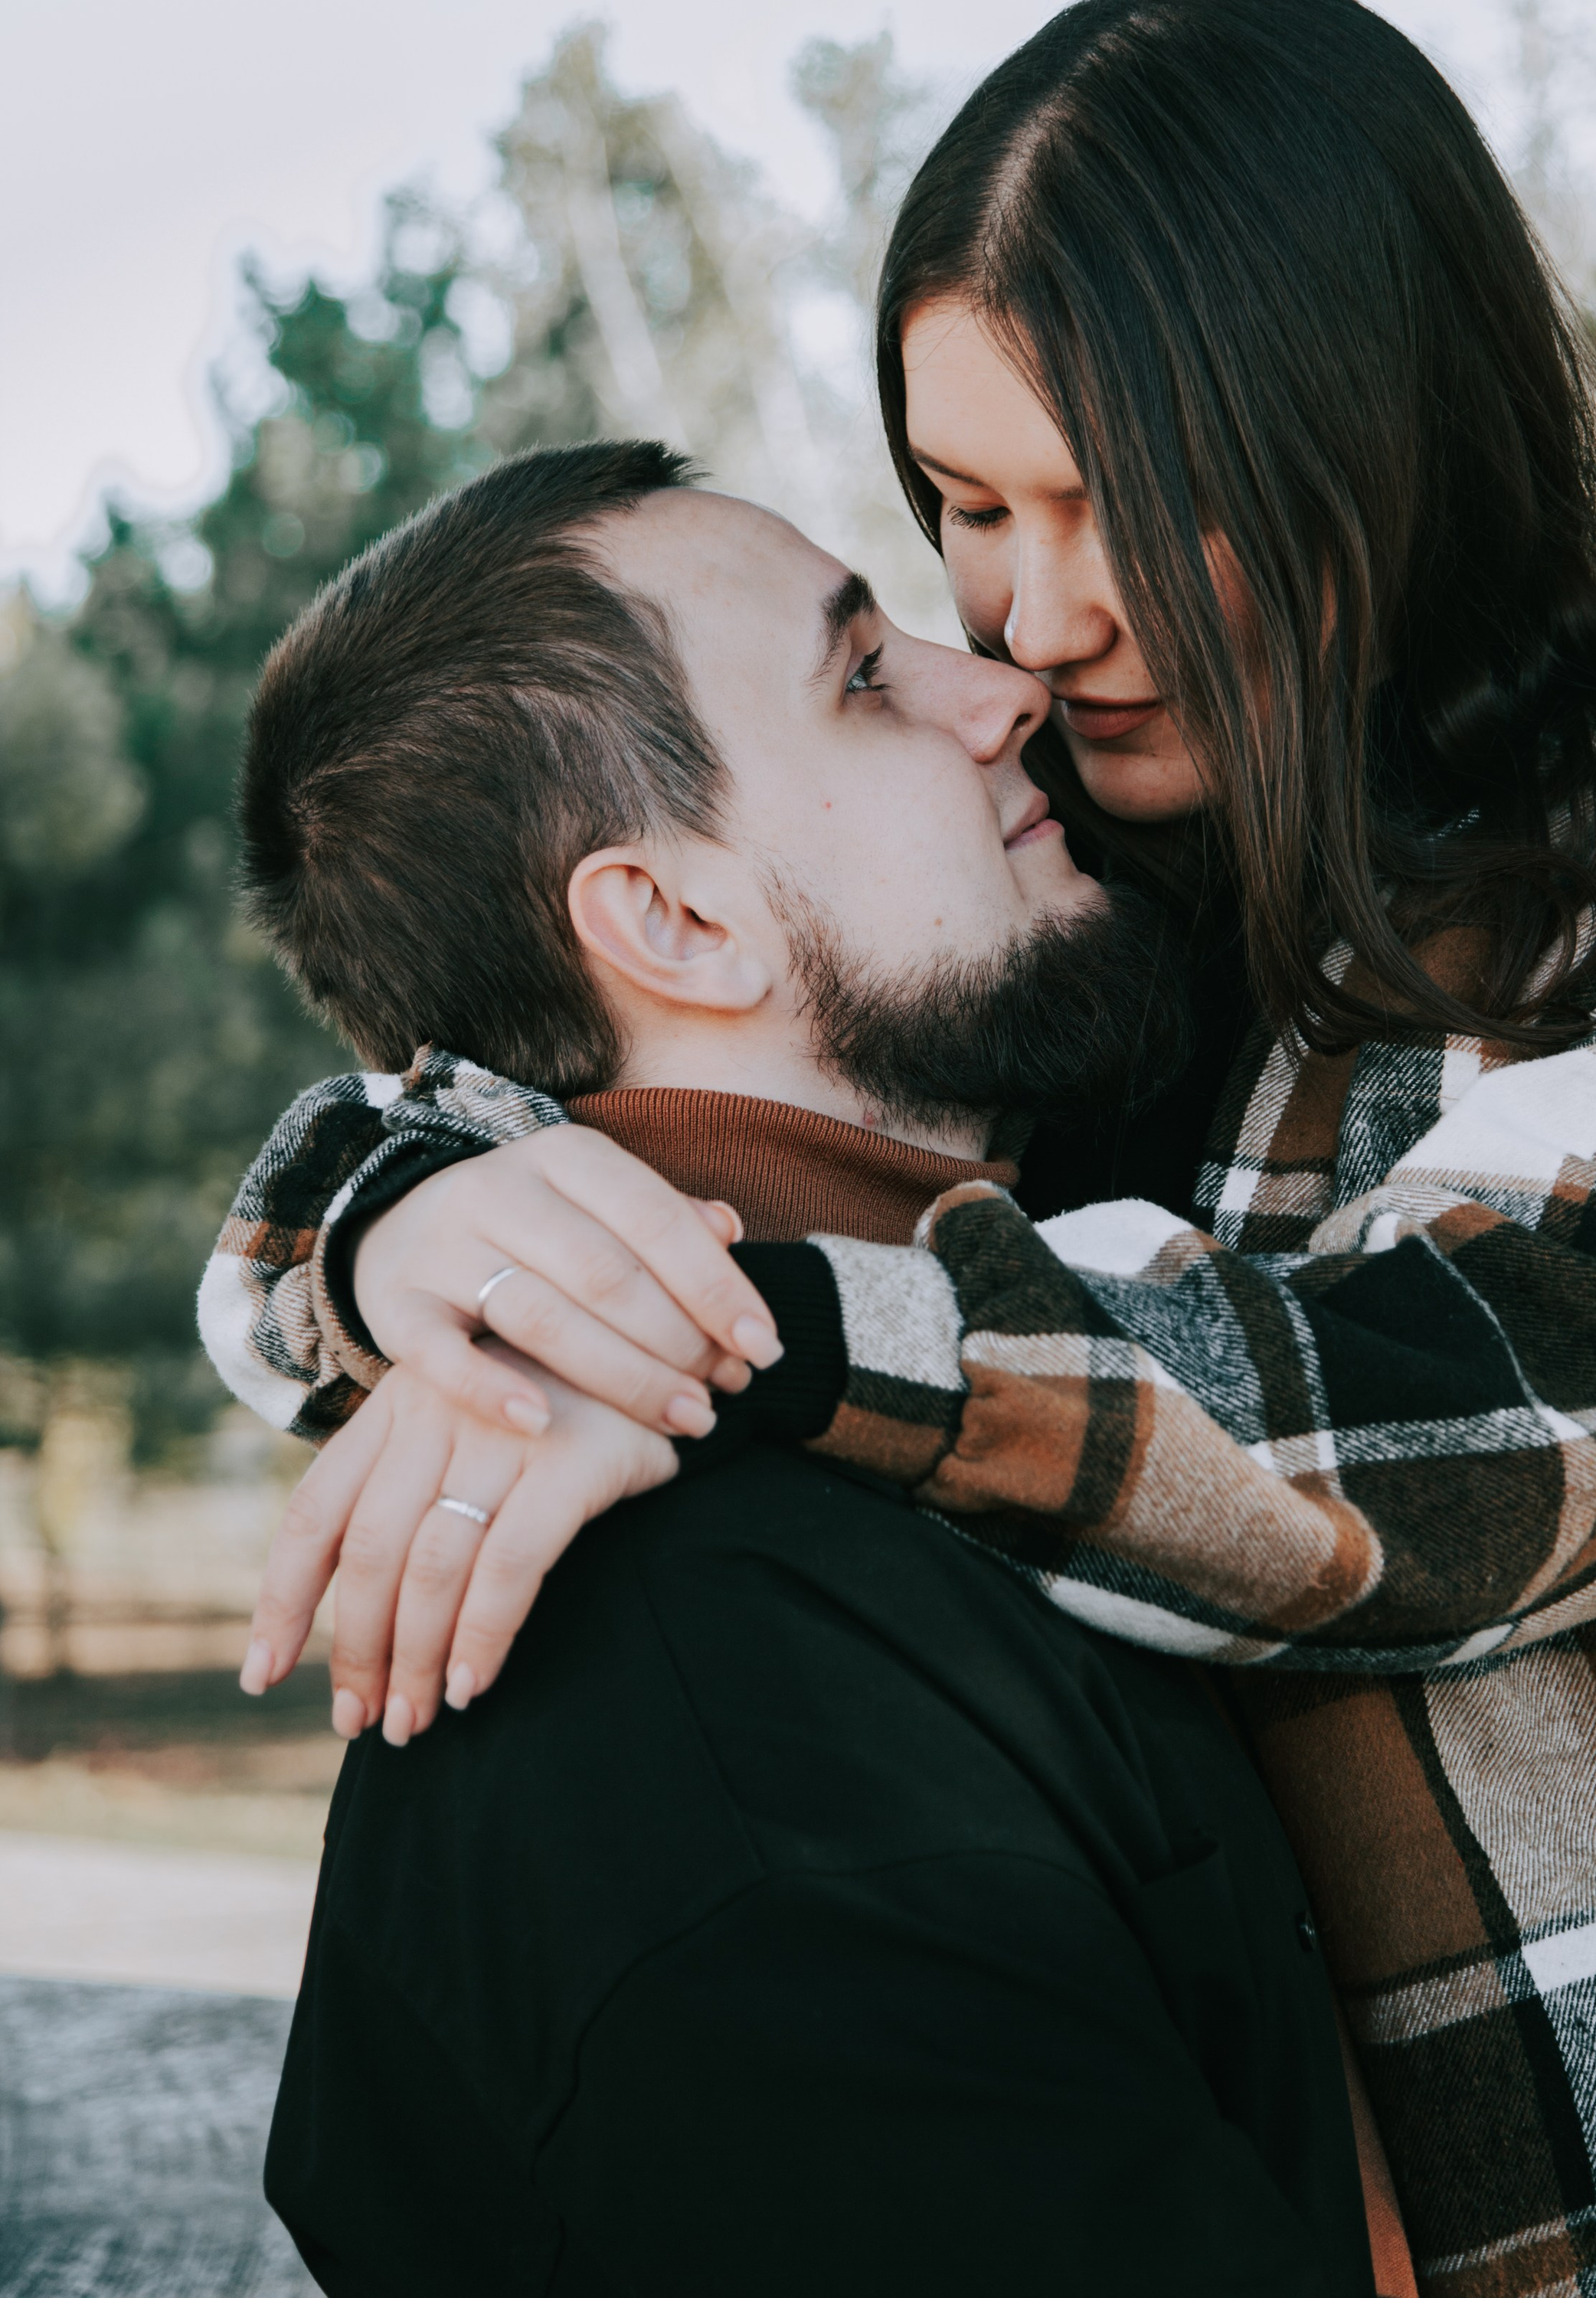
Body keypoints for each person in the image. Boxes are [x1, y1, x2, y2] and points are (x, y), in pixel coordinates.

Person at [204, 0, 1596, 2297]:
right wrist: (414, 1235)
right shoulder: (1082, 913)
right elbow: (588, 1032)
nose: (1030, 625)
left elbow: (1494, 1431)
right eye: (965, 507)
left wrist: (722, 1338)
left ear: (1370, 431)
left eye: (1121, 499)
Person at [227, 436, 1379, 2298]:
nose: (1002, 686)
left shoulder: (1057, 1295)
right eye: (862, 677)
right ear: (674, 919)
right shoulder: (716, 1704)